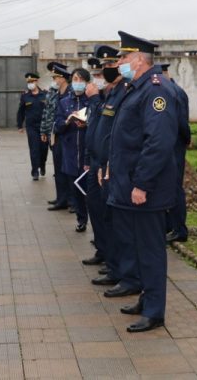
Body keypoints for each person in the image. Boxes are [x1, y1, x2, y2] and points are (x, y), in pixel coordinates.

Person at [107, 31, 179, 333]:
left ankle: (155, 311)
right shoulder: (133, 88)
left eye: (123, 57)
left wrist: (142, 184)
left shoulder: (156, 90)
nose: (119, 62)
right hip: (129, 183)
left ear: (138, 60)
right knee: (138, 247)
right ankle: (146, 298)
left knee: (150, 250)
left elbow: (158, 143)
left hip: (146, 188)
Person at [84, 46, 124, 286]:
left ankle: (114, 263)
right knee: (96, 209)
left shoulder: (114, 95)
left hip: (109, 163)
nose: (100, 76)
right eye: (98, 72)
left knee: (110, 216)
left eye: (105, 69)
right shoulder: (107, 95)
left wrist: (95, 99)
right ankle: (105, 253)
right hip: (97, 161)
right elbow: (96, 129)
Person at [54, 68, 91, 232]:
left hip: (88, 152)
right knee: (75, 190)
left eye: (81, 79)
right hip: (69, 152)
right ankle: (81, 219)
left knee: (90, 190)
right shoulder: (64, 102)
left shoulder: (91, 101)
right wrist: (68, 121)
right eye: (75, 79)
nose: (78, 83)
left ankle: (96, 223)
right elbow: (58, 125)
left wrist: (87, 123)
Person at [163, 63, 191, 244]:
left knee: (174, 187)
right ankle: (169, 226)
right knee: (167, 186)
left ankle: (179, 229)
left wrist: (186, 140)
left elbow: (182, 122)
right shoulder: (168, 90)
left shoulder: (174, 91)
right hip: (169, 144)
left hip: (175, 145)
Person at [43, 63, 72, 210]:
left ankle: (72, 200)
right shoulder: (56, 92)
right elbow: (49, 113)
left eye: (56, 77)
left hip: (69, 136)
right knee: (59, 168)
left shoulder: (71, 92)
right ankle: (62, 198)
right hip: (57, 134)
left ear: (62, 78)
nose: (54, 80)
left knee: (69, 169)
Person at [16, 71, 47, 181]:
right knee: (34, 149)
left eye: (32, 81)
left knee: (43, 149)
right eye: (28, 82)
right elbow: (21, 111)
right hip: (31, 127)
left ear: (37, 81)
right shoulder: (25, 96)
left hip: (44, 127)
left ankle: (42, 165)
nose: (30, 83)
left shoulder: (45, 94)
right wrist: (20, 125)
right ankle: (35, 171)